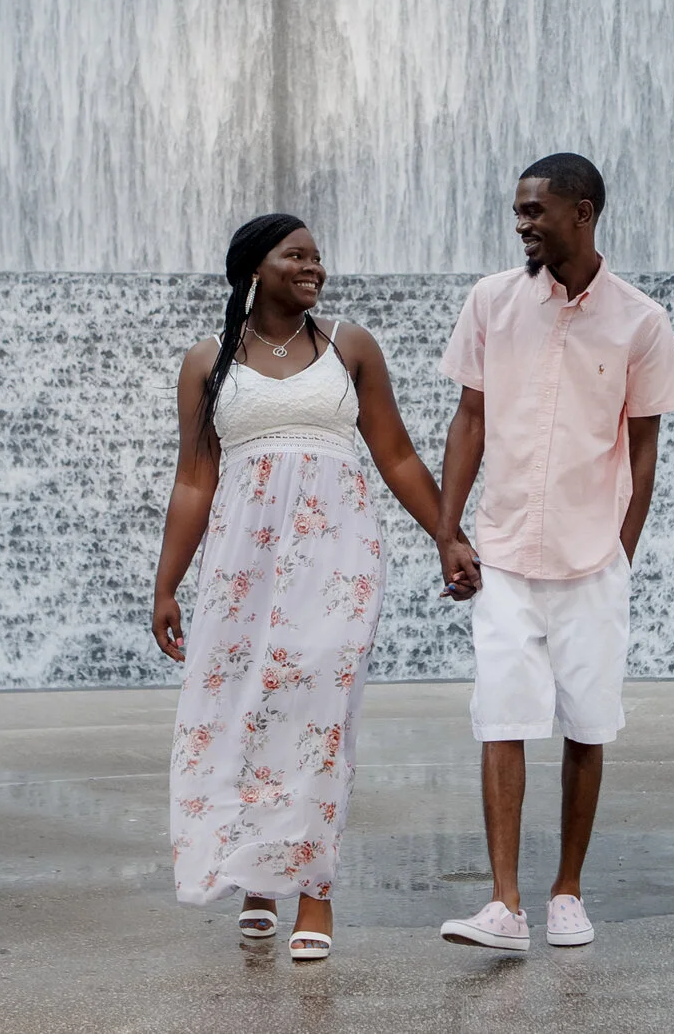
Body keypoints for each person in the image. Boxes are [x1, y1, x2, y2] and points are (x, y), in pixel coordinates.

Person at [152, 212, 457, 963]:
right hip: (240, 566)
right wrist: (167, 584)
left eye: (318, 256)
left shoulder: (348, 346)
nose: (313, 266)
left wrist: (448, 534)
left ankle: (314, 891)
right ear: (255, 266)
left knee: (319, 710)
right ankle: (259, 881)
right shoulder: (207, 361)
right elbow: (194, 481)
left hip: (337, 559)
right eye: (296, 255)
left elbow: (397, 454)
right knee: (250, 711)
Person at [433, 154, 674, 951]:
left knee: (587, 725)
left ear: (583, 211)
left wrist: (623, 551)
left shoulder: (641, 320)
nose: (522, 224)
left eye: (535, 210)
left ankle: (566, 890)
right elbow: (468, 418)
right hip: (504, 550)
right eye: (518, 211)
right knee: (501, 718)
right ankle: (503, 905)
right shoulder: (491, 302)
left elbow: (643, 448)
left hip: (591, 559)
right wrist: (450, 529)